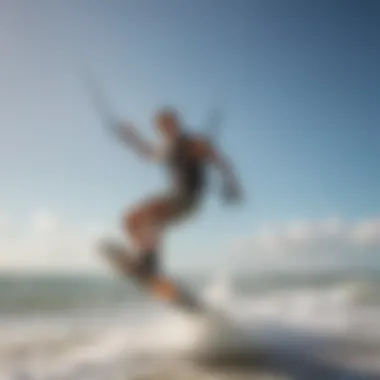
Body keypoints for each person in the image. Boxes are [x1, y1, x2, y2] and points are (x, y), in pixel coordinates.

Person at [104, 107, 242, 298]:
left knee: (148, 216)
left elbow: (218, 160)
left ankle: (148, 262)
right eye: (161, 128)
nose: (164, 130)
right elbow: (148, 152)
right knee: (131, 220)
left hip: (188, 199)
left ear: (176, 123)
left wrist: (231, 185)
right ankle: (146, 262)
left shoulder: (191, 143)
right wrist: (128, 135)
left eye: (167, 125)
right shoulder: (167, 147)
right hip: (175, 198)